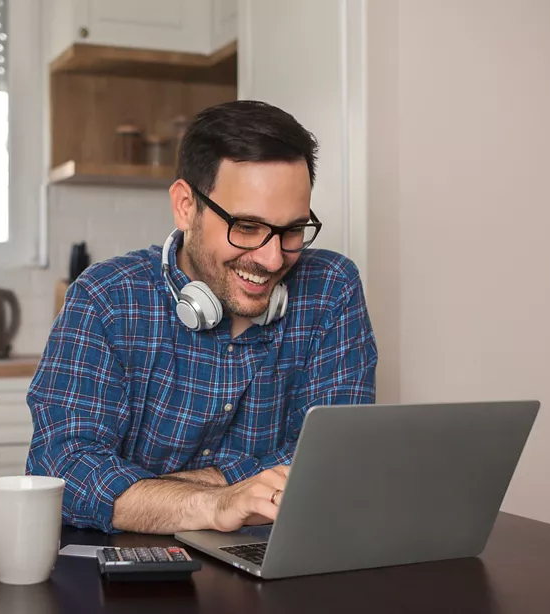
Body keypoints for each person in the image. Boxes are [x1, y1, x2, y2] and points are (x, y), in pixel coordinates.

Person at [26, 100, 378, 534]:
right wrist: (213, 505)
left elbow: (338, 455)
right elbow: (64, 471)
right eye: (246, 227)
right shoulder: (105, 299)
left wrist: (176, 489)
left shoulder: (332, 288)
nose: (271, 259)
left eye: (291, 230)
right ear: (186, 206)